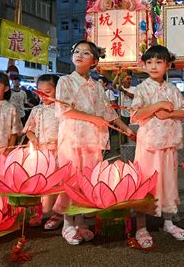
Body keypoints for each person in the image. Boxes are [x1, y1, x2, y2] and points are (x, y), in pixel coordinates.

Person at [53, 40, 135, 245]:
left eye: (85, 53)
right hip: (72, 139)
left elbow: (108, 112)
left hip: (93, 140)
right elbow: (65, 110)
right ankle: (67, 224)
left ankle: (81, 222)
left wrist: (126, 129)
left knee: (87, 181)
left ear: (94, 61)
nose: (79, 54)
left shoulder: (97, 85)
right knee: (71, 180)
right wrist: (93, 119)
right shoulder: (65, 81)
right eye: (76, 51)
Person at [131, 45, 184, 249]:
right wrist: (158, 105)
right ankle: (141, 226)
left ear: (167, 65)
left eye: (159, 62)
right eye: (149, 62)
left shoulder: (173, 89)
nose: (153, 66)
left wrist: (170, 114)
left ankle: (168, 222)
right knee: (145, 183)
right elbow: (135, 115)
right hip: (148, 145)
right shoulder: (141, 89)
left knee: (168, 181)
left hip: (169, 144)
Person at [23, 74, 63, 230]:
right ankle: (37, 212)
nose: (43, 95)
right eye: (40, 91)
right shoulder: (36, 110)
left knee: (58, 182)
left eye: (48, 91)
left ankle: (57, 214)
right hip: (41, 152)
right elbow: (28, 129)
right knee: (39, 182)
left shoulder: (61, 108)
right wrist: (33, 138)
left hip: (59, 150)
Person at [114, 71, 136, 144]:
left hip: (132, 114)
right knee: (123, 130)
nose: (129, 81)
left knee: (132, 130)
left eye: (130, 79)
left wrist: (124, 91)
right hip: (122, 114)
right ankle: (123, 144)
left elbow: (133, 96)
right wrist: (117, 75)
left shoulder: (134, 88)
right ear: (123, 80)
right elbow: (113, 84)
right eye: (127, 79)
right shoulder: (120, 87)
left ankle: (132, 144)